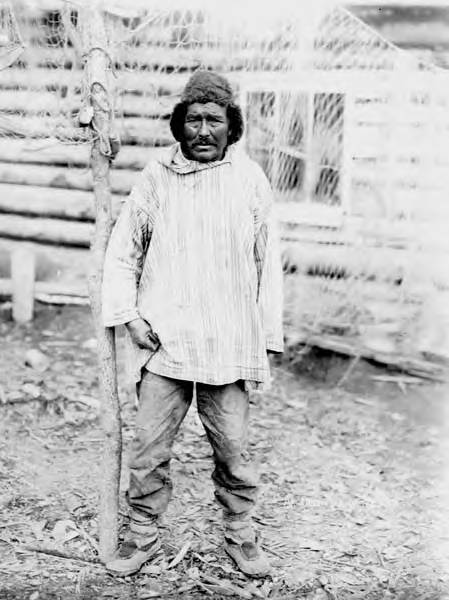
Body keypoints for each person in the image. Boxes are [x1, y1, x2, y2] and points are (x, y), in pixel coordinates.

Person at [102, 70, 284, 578]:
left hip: (228, 342)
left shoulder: (249, 180)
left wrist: (265, 336)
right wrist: (131, 319)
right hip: (166, 343)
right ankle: (141, 533)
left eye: (215, 121)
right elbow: (124, 250)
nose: (203, 131)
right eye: (194, 120)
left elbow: (268, 262)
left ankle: (241, 533)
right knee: (148, 448)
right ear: (179, 126)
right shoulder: (156, 177)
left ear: (233, 128)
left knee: (233, 451)